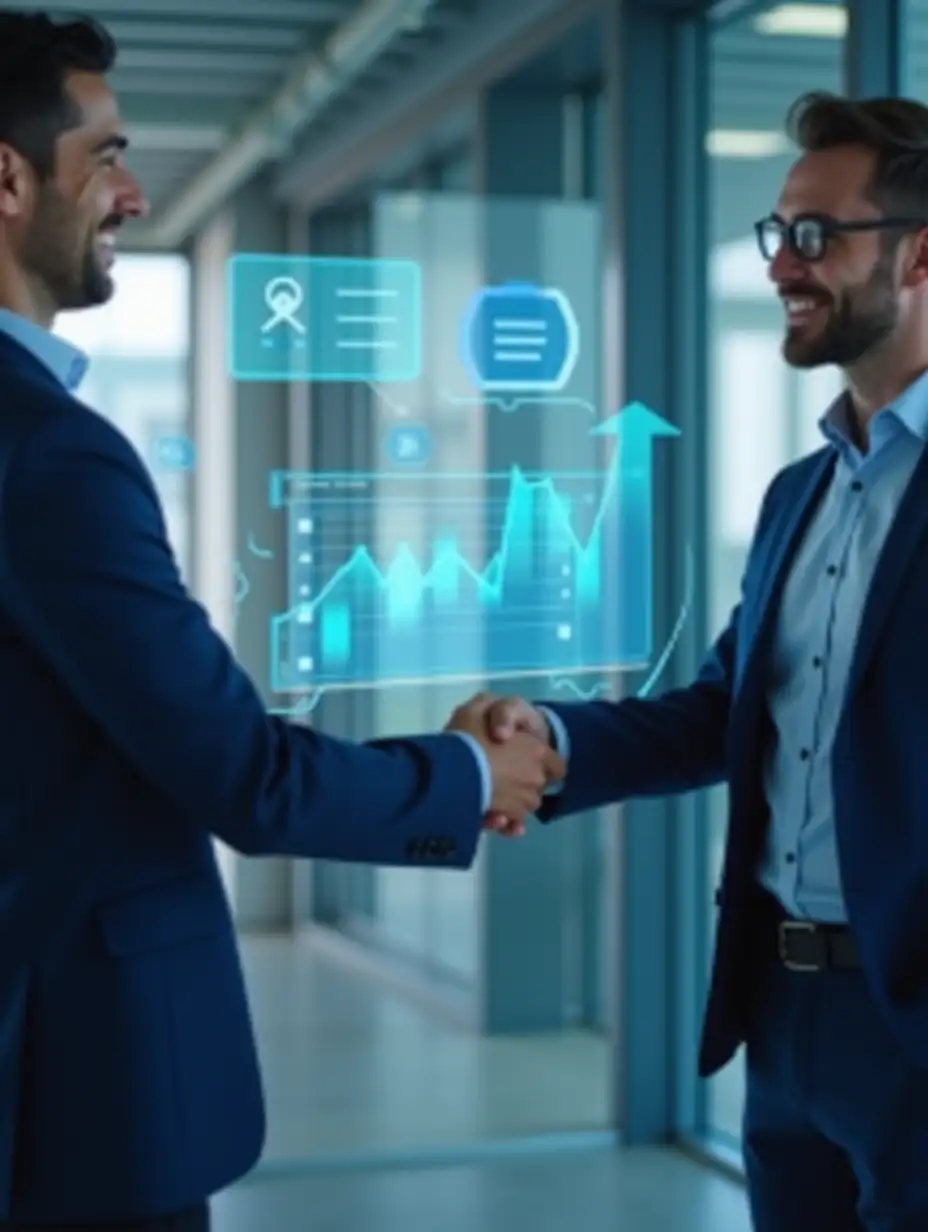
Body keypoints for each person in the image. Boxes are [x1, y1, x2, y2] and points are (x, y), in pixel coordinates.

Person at [0, 11, 564, 1232]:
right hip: (67, 1100)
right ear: (7, 178)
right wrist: (471, 771)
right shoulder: (44, 454)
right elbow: (241, 775)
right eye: (104, 156)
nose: (132, 193)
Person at [462, 91, 928, 1232]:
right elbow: (728, 709)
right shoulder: (800, 492)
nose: (782, 265)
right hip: (780, 1006)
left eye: (817, 235)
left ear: (919, 256)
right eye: (778, 234)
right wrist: (552, 736)